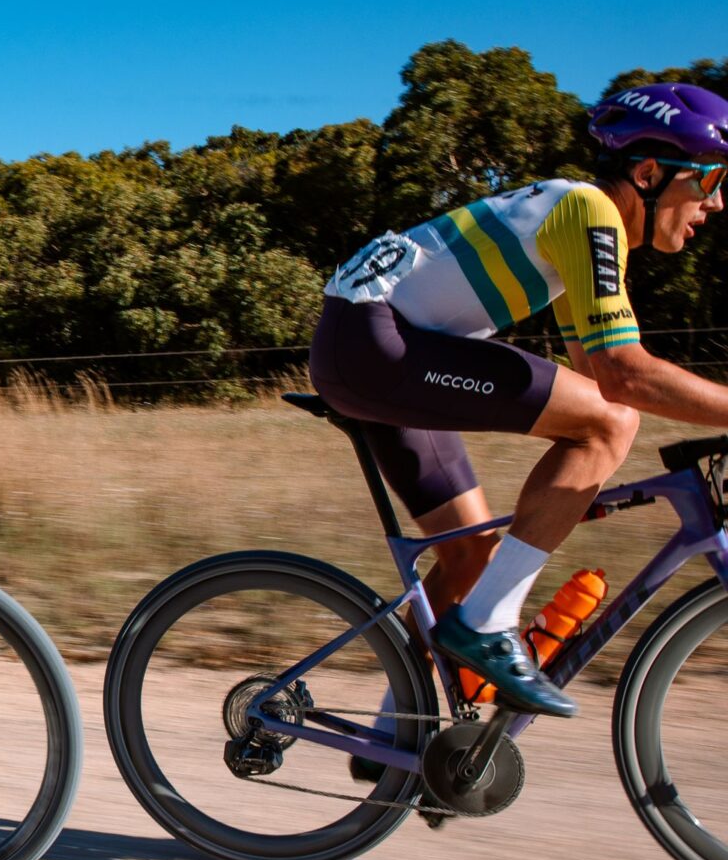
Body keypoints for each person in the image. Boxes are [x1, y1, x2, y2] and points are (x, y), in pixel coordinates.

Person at [310, 82, 727, 719]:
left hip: (377, 342)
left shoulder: (578, 221)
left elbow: (596, 367)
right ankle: (488, 628)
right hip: (377, 344)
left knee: (471, 555)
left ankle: (400, 734)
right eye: (710, 180)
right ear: (648, 172)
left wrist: (570, 493)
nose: (717, 202)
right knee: (612, 423)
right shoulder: (588, 212)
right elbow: (624, 382)